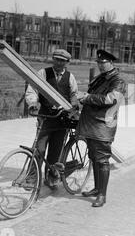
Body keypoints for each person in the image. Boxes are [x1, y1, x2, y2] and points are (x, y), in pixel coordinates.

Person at [78, 49, 126, 207]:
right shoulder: (102, 78)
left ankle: (102, 195)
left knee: (102, 159)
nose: (100, 65)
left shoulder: (118, 80)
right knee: (93, 157)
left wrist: (87, 98)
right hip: (92, 123)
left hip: (103, 125)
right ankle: (97, 188)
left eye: (102, 62)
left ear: (111, 62)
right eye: (98, 62)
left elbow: (110, 99)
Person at [25, 49, 79, 189]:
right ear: (53, 59)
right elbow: (33, 90)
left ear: (67, 62)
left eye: (62, 60)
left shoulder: (70, 77)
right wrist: (32, 103)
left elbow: (73, 94)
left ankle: (51, 179)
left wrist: (73, 104)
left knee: (55, 153)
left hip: (62, 121)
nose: (59, 62)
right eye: (57, 59)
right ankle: (31, 178)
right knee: (39, 149)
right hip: (46, 118)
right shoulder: (43, 73)